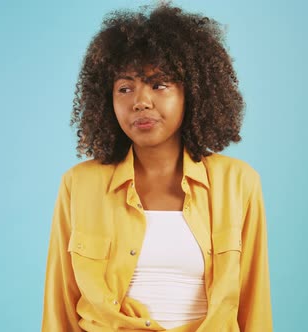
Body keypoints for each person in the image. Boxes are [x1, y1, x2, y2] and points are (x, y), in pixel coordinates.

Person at [42, 3, 272, 331]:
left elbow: (254, 305)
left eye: (159, 84)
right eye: (125, 88)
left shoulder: (238, 183)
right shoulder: (79, 185)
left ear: (191, 92)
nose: (141, 101)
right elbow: (59, 308)